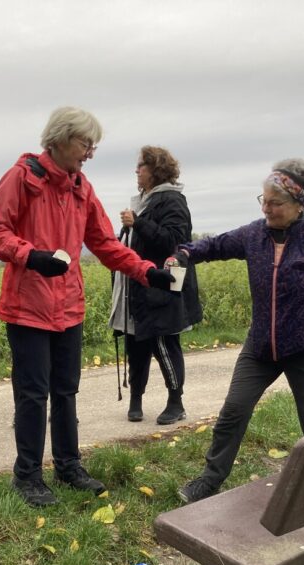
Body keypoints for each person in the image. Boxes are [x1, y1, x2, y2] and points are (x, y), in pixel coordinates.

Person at [0, 106, 175, 507]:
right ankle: (28, 476)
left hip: (68, 306)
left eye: (93, 145)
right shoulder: (22, 177)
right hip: (27, 306)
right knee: (33, 394)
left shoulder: (81, 187)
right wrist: (30, 255)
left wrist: (147, 271)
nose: (90, 152)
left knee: (66, 390)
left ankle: (69, 465)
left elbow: (104, 242)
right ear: (60, 138)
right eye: (85, 143)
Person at [175, 158, 304, 504]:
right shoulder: (254, 234)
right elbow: (216, 245)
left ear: (299, 204)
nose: (266, 208)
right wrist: (184, 253)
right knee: (233, 412)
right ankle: (208, 481)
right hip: (261, 348)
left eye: (275, 203)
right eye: (263, 200)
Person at [109, 146, 202, 425]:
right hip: (138, 286)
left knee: (163, 342)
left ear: (156, 170)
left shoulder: (172, 200)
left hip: (162, 286)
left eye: (141, 166)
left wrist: (138, 224)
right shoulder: (144, 200)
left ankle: (176, 403)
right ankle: (136, 399)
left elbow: (174, 240)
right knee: (136, 342)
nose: (136, 171)